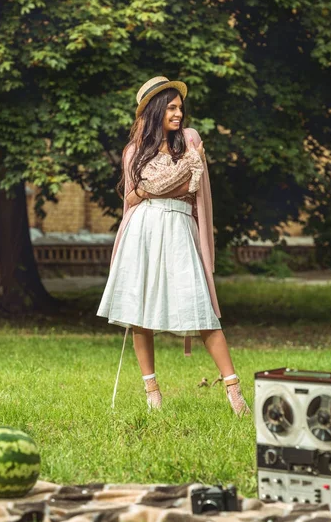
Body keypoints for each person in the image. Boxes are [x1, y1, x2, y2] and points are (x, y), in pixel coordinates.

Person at [97, 76, 250, 416]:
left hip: (179, 227)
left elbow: (190, 189)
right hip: (144, 229)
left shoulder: (190, 140)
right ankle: (152, 392)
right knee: (139, 311)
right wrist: (166, 181)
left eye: (180, 107)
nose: (179, 113)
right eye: (171, 107)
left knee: (201, 307)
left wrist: (154, 187)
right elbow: (134, 194)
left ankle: (234, 392)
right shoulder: (134, 151)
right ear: (155, 111)